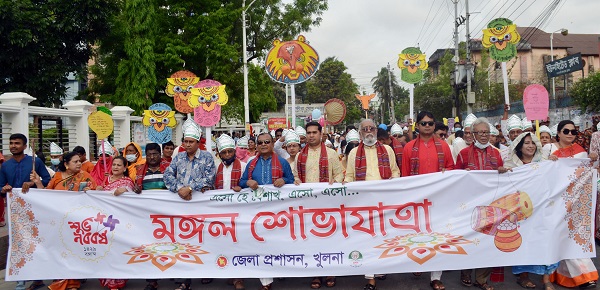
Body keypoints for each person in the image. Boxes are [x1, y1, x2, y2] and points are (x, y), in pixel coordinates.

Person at [344, 119, 400, 290]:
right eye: (365, 129)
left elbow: (395, 171)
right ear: (360, 133)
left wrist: (393, 183)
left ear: (376, 131)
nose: (369, 131)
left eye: (372, 129)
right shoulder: (354, 153)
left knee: (383, 238)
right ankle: (370, 277)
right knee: (367, 239)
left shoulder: (388, 150)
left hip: (384, 203)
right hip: (363, 204)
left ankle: (380, 268)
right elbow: (349, 176)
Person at [401, 111, 454, 290]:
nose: (427, 126)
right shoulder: (408, 147)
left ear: (434, 125)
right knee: (417, 235)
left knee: (437, 236)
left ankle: (435, 276)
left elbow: (451, 169)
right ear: (417, 125)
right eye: (423, 123)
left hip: (439, 199)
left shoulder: (444, 146)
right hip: (417, 200)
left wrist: (446, 174)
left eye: (430, 123)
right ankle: (418, 263)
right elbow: (405, 175)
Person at [544, 120, 599, 289]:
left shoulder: (581, 153)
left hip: (573, 200)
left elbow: (587, 175)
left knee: (573, 237)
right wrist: (548, 162)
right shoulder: (549, 149)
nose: (570, 134)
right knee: (559, 236)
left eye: (573, 132)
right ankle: (557, 273)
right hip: (553, 200)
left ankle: (583, 275)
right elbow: (539, 170)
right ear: (558, 133)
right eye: (566, 131)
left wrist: (592, 162)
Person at [503, 132, 560, 290]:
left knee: (547, 240)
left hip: (542, 209)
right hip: (521, 212)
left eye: (533, 143)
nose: (530, 146)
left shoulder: (544, 163)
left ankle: (546, 278)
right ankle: (523, 276)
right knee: (524, 242)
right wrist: (502, 173)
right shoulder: (510, 165)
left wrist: (554, 164)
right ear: (519, 147)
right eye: (526, 143)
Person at [455, 118, 506, 290]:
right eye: (480, 132)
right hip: (469, 204)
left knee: (487, 239)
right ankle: (466, 272)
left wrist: (502, 171)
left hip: (490, 203)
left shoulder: (497, 154)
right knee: (469, 238)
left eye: (487, 132)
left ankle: (482, 279)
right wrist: (464, 174)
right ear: (473, 134)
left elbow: (501, 177)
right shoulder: (463, 153)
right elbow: (455, 178)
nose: (484, 136)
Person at [239, 132, 294, 290]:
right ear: (257, 145)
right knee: (261, 243)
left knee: (277, 242)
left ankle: (279, 268)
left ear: (272, 144)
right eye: (260, 142)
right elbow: (242, 182)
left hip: (278, 212)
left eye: (267, 142)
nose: (263, 145)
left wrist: (284, 180)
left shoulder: (282, 162)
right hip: (256, 211)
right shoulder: (251, 163)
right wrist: (248, 182)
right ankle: (266, 282)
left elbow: (291, 179)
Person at [292, 121, 343, 289]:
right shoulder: (300, 155)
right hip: (307, 206)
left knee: (329, 239)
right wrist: (297, 181)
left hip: (328, 204)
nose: (312, 135)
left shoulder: (331, 153)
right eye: (309, 133)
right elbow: (295, 177)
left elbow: (339, 176)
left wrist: (331, 186)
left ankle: (330, 271)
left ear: (321, 134)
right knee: (312, 240)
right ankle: (315, 273)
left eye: (315, 132)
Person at [0, 134, 51, 290]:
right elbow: (0, 186)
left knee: (37, 242)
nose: (13, 145)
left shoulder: (35, 162)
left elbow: (48, 180)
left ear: (25, 146)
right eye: (11, 143)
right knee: (18, 243)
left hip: (34, 208)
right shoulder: (5, 165)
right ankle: (20, 281)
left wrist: (32, 182)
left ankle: (38, 278)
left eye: (17, 143)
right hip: (15, 209)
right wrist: (4, 188)